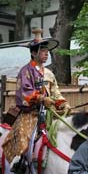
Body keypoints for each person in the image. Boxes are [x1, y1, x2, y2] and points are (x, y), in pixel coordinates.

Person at [2, 28, 71, 171]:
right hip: (30, 116)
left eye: (47, 51)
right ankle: (18, 165)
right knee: (22, 136)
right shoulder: (25, 71)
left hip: (49, 115)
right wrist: (41, 99)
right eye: (42, 50)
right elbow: (24, 94)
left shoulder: (49, 73)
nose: (46, 53)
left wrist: (62, 103)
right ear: (34, 53)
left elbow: (55, 93)